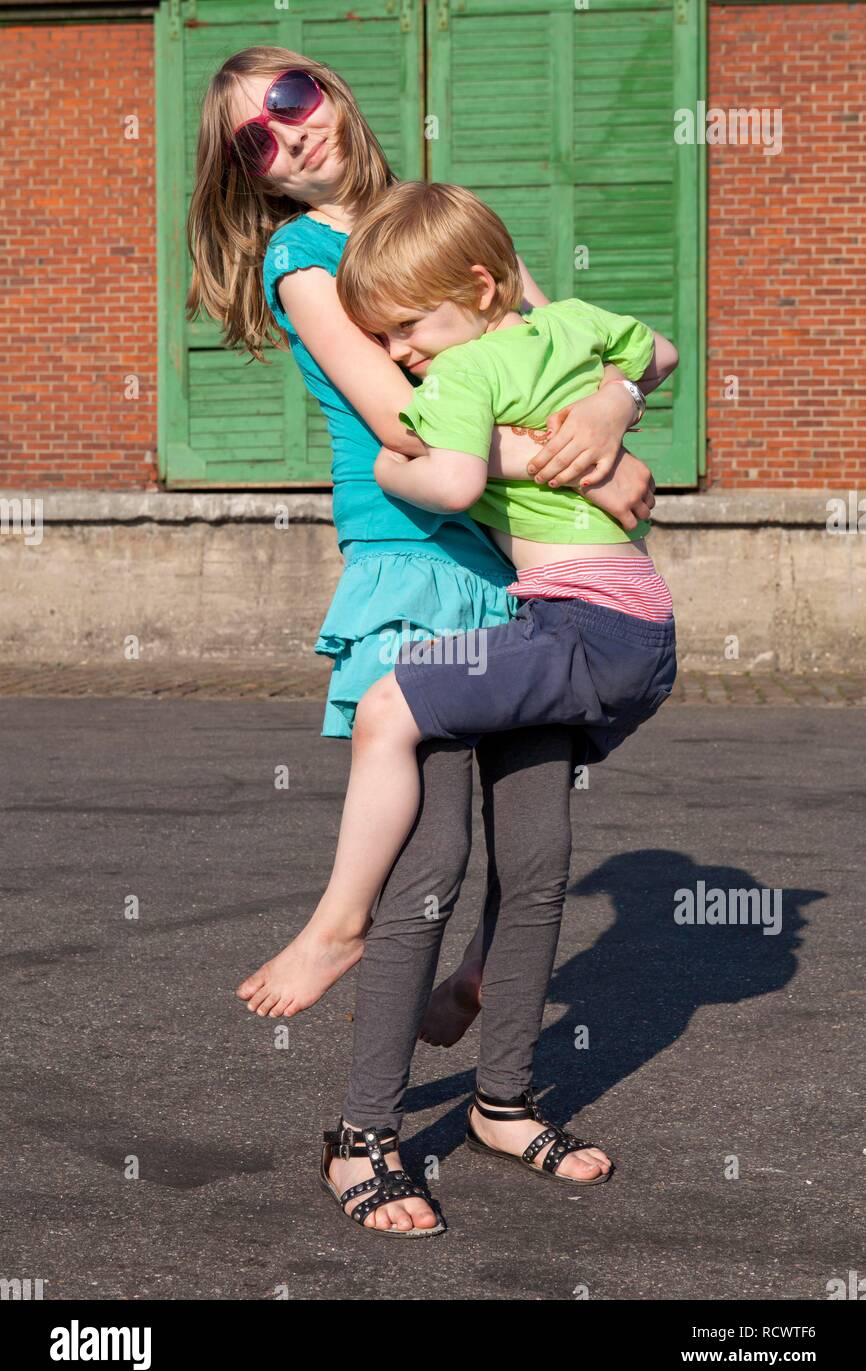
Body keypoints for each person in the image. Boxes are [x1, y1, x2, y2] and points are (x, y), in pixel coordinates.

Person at [187, 47, 665, 1236]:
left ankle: (501, 1100)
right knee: (430, 861)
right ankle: (363, 1134)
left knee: (540, 856)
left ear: (332, 94)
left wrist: (609, 413)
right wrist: (594, 469)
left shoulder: (437, 226)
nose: (284, 137)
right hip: (420, 574)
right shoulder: (307, 258)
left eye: (291, 102)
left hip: (523, 577)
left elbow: (583, 348)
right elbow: (409, 421)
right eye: (252, 137)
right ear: (244, 174)